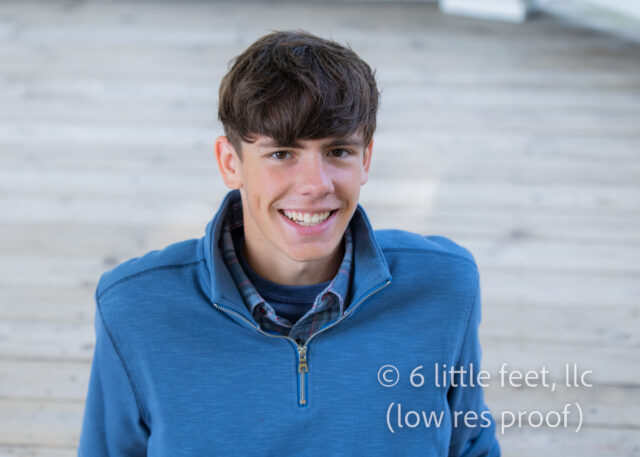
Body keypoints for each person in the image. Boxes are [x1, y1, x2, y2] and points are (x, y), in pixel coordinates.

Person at [78, 30, 501, 456]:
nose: (316, 184)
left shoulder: (446, 287)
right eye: (282, 154)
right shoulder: (134, 309)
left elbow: (470, 447)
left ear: (366, 159)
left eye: (338, 151)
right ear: (230, 163)